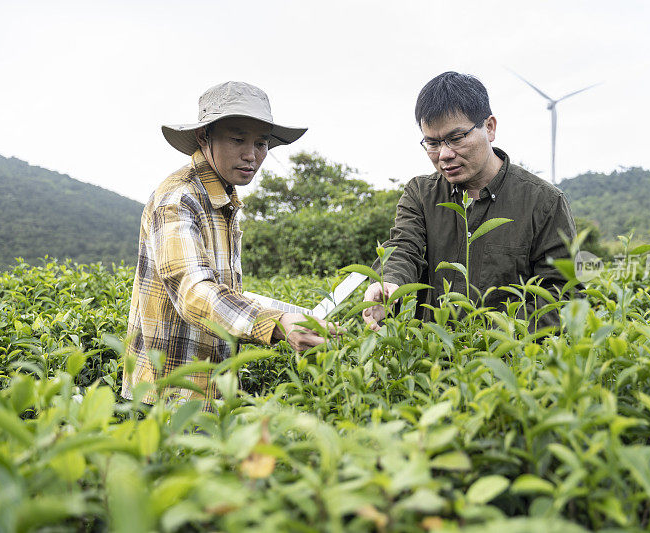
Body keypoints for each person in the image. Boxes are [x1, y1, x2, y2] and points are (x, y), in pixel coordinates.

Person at [122, 81, 336, 408]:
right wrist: (275, 323)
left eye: (261, 143)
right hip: (169, 394)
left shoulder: (222, 197)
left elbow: (222, 287)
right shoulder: (179, 199)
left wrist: (287, 314)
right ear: (203, 137)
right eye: (238, 140)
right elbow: (195, 290)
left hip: (209, 389)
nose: (251, 155)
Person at [363, 72, 577, 331]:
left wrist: (492, 337)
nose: (444, 155)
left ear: (489, 127)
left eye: (456, 138)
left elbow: (562, 295)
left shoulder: (543, 202)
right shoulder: (421, 193)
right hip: (434, 360)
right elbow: (404, 246)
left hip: (511, 360)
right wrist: (388, 282)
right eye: (432, 143)